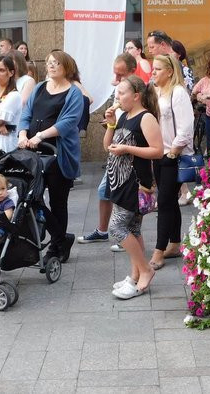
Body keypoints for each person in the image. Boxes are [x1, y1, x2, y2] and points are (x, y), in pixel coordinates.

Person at [18, 50, 84, 264]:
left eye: (56, 63)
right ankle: (61, 238)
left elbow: (68, 122)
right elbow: (26, 114)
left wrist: (40, 135)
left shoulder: (74, 93)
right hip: (34, 152)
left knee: (58, 201)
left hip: (58, 153)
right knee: (32, 198)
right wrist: (22, 134)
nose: (51, 66)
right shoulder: (39, 88)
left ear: (67, 66)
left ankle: (56, 248)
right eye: (49, 62)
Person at [104, 75, 163, 299]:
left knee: (116, 228)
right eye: (117, 93)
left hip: (135, 181)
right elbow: (107, 146)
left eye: (121, 93)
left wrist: (128, 150)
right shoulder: (124, 116)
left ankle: (146, 270)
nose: (117, 97)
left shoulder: (145, 117)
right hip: (119, 179)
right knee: (133, 229)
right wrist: (110, 123)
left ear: (136, 96)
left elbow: (157, 150)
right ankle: (135, 274)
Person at [78, 52, 137, 246]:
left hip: (130, 154)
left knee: (125, 197)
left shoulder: (137, 93)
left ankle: (124, 235)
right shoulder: (119, 90)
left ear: (132, 72)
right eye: (115, 74)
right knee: (105, 191)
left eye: (121, 75)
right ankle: (104, 230)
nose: (116, 79)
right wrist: (110, 122)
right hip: (116, 150)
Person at [149, 54, 194, 270]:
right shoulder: (156, 91)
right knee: (169, 201)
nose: (153, 72)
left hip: (174, 155)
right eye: (153, 69)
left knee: (164, 202)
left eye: (157, 69)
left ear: (169, 71)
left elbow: (186, 128)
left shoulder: (178, 93)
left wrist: (173, 152)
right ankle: (175, 244)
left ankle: (159, 251)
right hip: (159, 153)